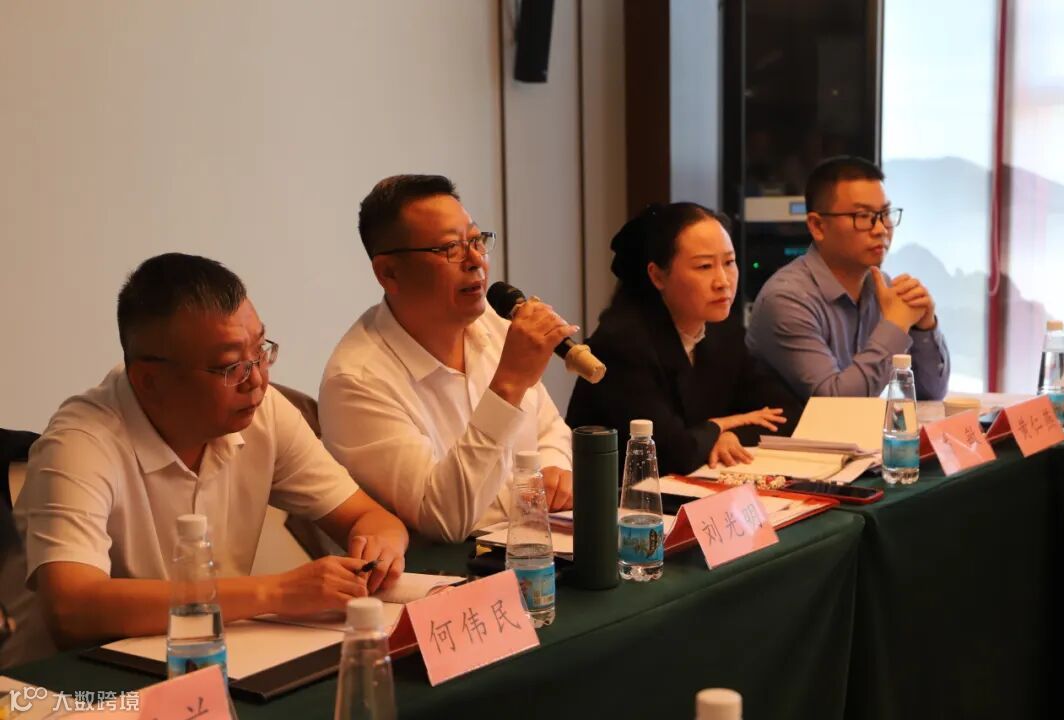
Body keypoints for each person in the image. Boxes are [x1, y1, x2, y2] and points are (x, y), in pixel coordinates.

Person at [15, 254, 408, 648]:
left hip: (209, 654)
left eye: (260, 350)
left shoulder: (264, 411)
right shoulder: (79, 445)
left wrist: (380, 546)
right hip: (77, 676)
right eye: (230, 366)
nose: (257, 379)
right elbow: (73, 607)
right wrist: (276, 592)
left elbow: (368, 517)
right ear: (150, 380)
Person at [320, 174, 574, 543]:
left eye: (476, 241)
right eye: (450, 248)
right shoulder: (356, 382)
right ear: (389, 273)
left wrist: (554, 467)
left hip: (533, 546)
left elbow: (548, 428)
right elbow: (444, 520)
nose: (476, 261)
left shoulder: (492, 323)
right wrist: (508, 385)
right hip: (446, 569)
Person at [565, 203, 803, 476]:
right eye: (704, 266)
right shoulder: (621, 344)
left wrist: (730, 434)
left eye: (729, 262)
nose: (723, 281)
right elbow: (672, 453)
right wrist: (719, 425)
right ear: (657, 276)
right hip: (618, 494)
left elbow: (787, 412)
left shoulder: (722, 330)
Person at [746, 156, 950, 400]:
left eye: (885, 213)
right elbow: (836, 403)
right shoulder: (787, 299)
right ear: (817, 226)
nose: (881, 229)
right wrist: (895, 325)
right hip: (796, 426)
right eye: (863, 216)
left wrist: (923, 327)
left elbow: (931, 393)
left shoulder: (881, 287)